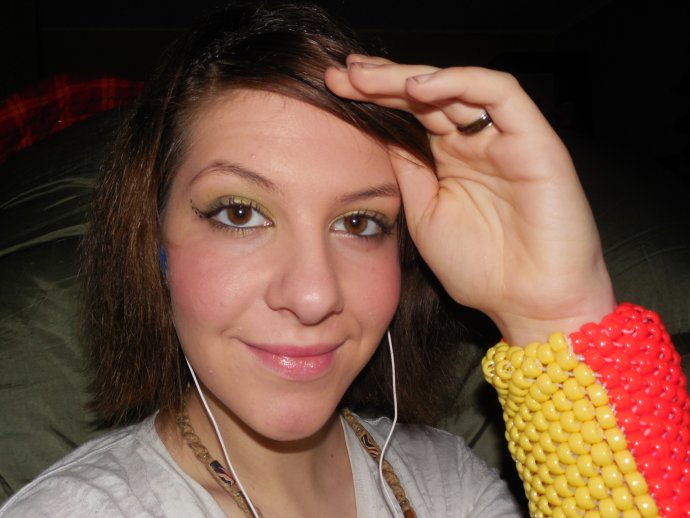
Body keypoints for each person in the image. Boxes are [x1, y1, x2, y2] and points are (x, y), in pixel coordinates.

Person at [1, 1, 687, 517]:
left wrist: (554, 313)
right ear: (152, 241)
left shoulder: (449, 484)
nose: (312, 295)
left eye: (359, 223)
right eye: (239, 213)